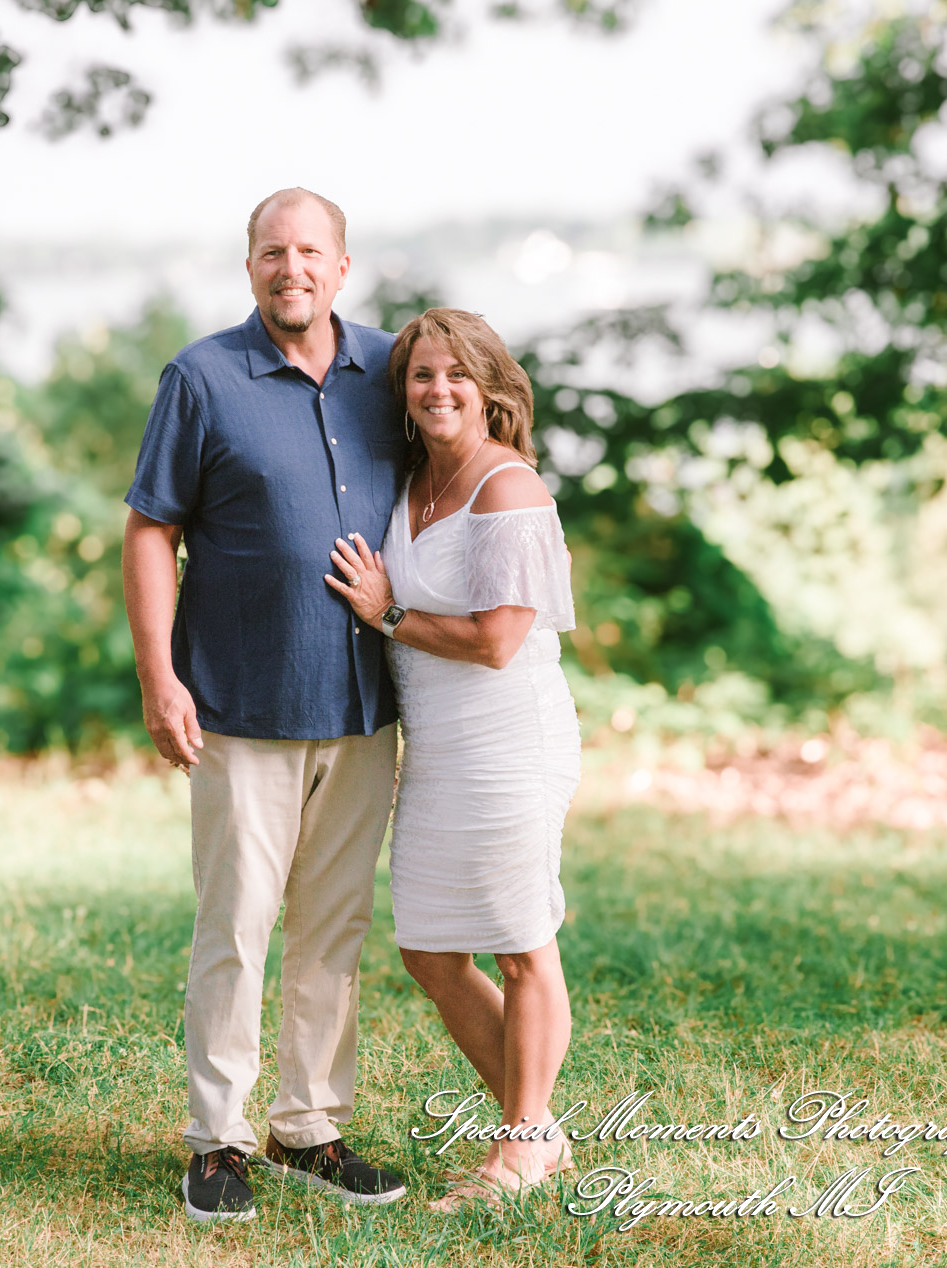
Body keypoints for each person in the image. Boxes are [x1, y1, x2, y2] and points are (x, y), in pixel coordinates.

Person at [122, 187, 408, 1223]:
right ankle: (217, 1140)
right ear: (250, 267)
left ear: (342, 266)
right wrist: (159, 676)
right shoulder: (201, 377)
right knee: (236, 927)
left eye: (311, 252)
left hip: (366, 706)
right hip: (241, 705)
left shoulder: (394, 371)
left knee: (335, 926)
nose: (293, 269)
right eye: (273, 252)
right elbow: (150, 529)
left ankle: (310, 1126)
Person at [324, 308, 581, 1209]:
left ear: (490, 388)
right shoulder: (413, 482)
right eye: (421, 375)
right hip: (437, 748)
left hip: (509, 741)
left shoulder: (508, 488)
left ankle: (519, 1149)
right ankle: (539, 1130)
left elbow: (497, 641)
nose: (438, 390)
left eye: (457, 375)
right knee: (431, 951)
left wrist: (387, 614)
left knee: (520, 944)